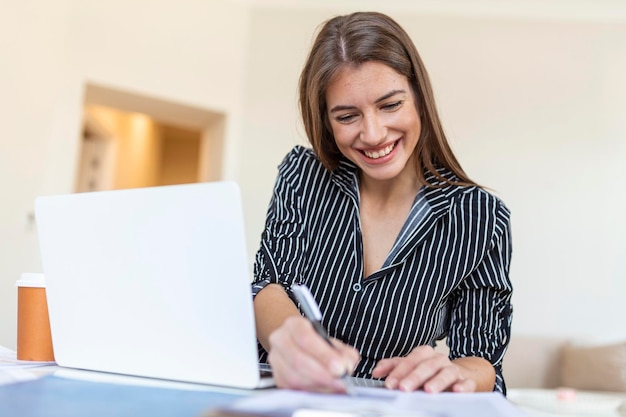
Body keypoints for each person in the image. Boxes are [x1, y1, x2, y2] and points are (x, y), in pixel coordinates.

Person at [251, 11, 513, 395]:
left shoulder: (480, 217)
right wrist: (287, 336)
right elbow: (269, 283)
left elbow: (483, 360)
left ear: (419, 99)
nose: (372, 134)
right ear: (326, 120)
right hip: (281, 397)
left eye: (390, 105)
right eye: (347, 116)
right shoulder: (302, 175)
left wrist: (460, 375)